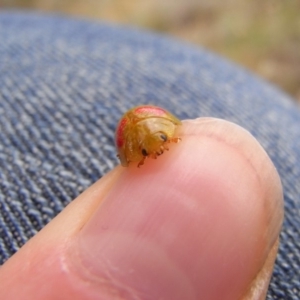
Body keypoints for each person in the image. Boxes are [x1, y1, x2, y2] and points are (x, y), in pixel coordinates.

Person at [0, 12, 299, 299]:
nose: (160, 149)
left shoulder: (164, 129)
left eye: (161, 141)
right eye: (152, 147)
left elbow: (166, 132)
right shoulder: (139, 140)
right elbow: (138, 150)